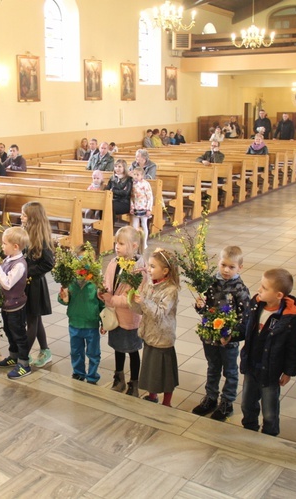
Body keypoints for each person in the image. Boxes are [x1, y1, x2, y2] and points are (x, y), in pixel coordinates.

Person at [240, 268, 296, 436]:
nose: (259, 290)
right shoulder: (256, 306)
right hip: (251, 365)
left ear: (279, 295)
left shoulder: (290, 319)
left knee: (269, 410)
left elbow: (293, 348)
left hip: (271, 370)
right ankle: (249, 430)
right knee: (247, 404)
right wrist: (230, 335)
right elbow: (245, 328)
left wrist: (289, 372)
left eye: (264, 288)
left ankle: (269, 435)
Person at [193, 246, 251, 421]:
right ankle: (211, 397)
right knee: (213, 367)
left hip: (228, 339)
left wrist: (232, 335)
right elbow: (204, 310)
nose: (226, 270)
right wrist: (199, 305)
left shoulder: (240, 290)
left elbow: (245, 318)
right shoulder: (210, 284)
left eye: (231, 267)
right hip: (210, 336)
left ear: (240, 267)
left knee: (230, 371)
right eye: (223, 264)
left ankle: (227, 402)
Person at [130, 248, 180, 407]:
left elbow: (160, 314)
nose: (148, 270)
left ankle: (167, 402)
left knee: (164, 373)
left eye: (152, 266)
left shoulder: (171, 290)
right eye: (148, 266)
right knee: (151, 369)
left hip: (162, 337)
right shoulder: (149, 285)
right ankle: (152, 396)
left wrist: (143, 301)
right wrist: (133, 300)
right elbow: (140, 311)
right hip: (150, 334)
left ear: (165, 271)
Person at [100, 226, 144, 397]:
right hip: (115, 315)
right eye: (116, 243)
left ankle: (134, 383)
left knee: (132, 350)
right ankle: (119, 378)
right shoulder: (114, 262)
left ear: (134, 246)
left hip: (130, 317)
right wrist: (102, 291)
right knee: (118, 348)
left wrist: (111, 299)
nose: (117, 247)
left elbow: (133, 298)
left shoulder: (139, 269)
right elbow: (108, 283)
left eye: (121, 244)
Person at [0, 227, 31, 379]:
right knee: (9, 331)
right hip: (7, 305)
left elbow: (7, 284)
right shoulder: (9, 259)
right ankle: (14, 356)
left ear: (15, 247)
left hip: (16, 307)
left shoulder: (19, 264)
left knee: (19, 334)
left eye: (4, 243)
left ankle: (24, 364)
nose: (2, 246)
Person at [57, 245, 103, 384]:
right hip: (75, 323)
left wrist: (103, 322)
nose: (83, 264)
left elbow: (102, 304)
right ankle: (78, 372)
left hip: (91, 324)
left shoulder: (96, 283)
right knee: (76, 351)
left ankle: (92, 375)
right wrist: (63, 297)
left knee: (93, 353)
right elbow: (64, 300)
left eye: (87, 260)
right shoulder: (70, 281)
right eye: (80, 260)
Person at [21, 202, 55, 369]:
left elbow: (48, 264)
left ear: (33, 219)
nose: (21, 217)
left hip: (35, 285)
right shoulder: (26, 232)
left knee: (32, 321)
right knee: (35, 318)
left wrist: (26, 270)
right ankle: (45, 350)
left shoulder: (42, 238)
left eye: (24, 215)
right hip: (25, 283)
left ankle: (23, 357)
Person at [130, 167, 153, 249]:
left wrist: (149, 208)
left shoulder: (146, 184)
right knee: (134, 226)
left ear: (142, 176)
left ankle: (144, 242)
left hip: (144, 206)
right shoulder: (133, 184)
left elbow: (150, 197)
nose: (136, 176)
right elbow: (131, 197)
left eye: (138, 175)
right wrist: (132, 207)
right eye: (134, 174)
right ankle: (135, 242)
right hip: (136, 206)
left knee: (144, 225)